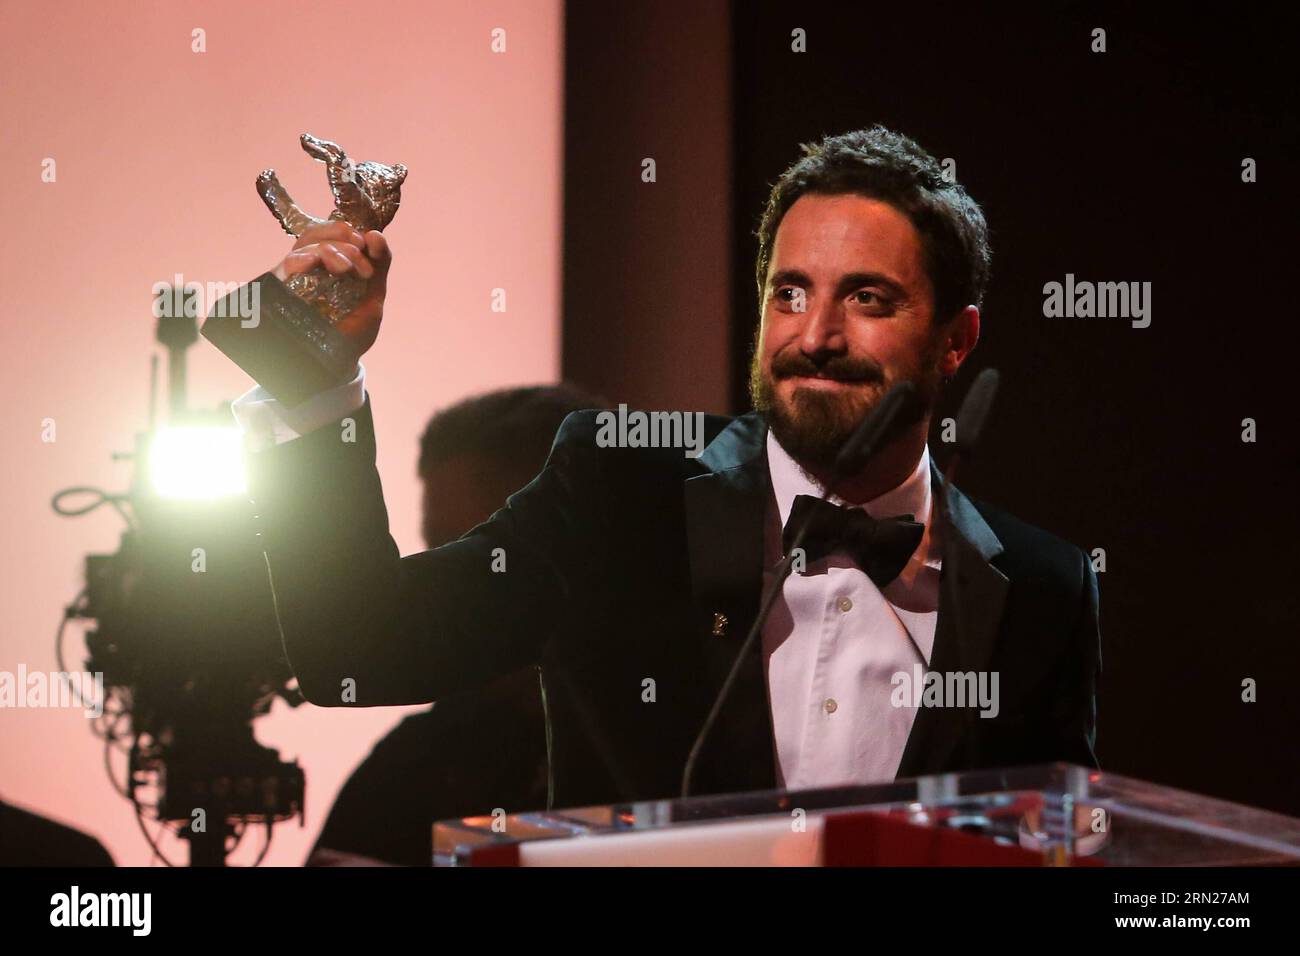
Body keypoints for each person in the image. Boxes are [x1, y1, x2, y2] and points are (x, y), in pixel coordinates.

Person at [231, 126, 1101, 814]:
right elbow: (358, 646)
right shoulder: (620, 492)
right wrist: (317, 389)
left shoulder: (1040, 588)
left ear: (957, 341)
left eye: (867, 298)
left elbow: (1062, 843)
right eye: (789, 292)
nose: (815, 335)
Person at [308, 384, 606, 866]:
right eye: (433, 553)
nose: (440, 586)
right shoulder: (415, 761)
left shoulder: (702, 736)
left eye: (471, 554)